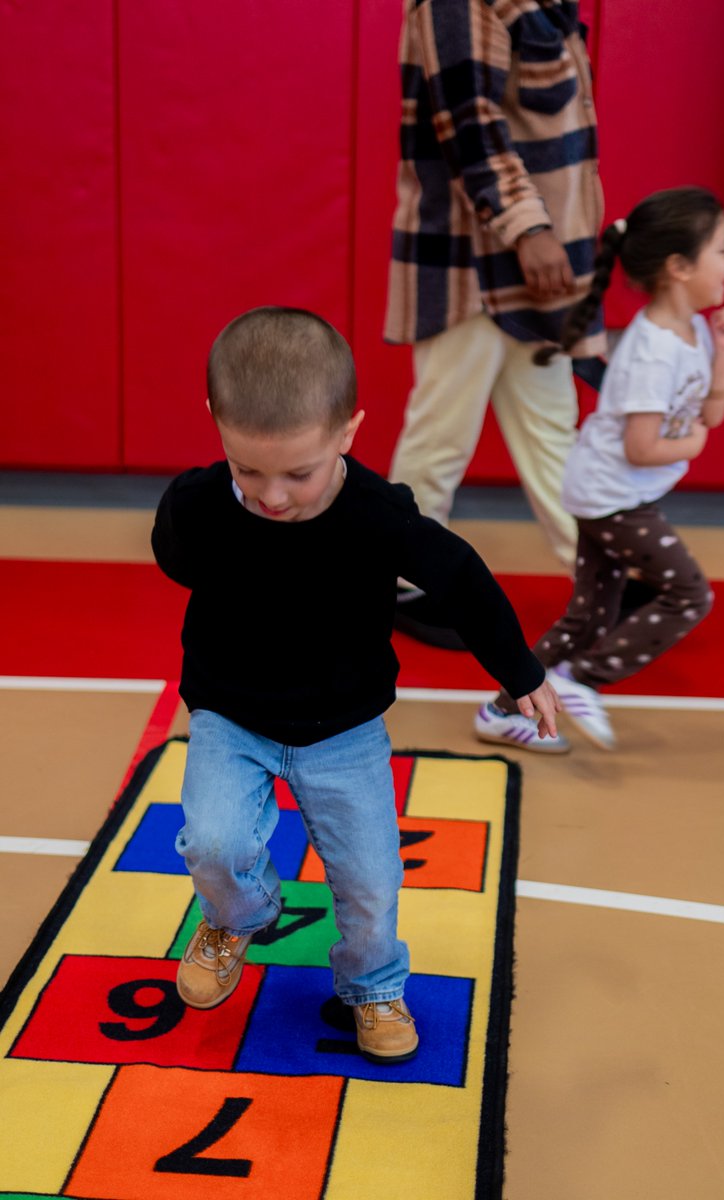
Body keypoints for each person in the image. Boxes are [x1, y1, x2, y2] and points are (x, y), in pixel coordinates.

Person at [151, 306, 560, 1064]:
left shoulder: (380, 516)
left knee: (370, 880)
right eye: (249, 469)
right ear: (216, 424)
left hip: (342, 730)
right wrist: (205, 510)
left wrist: (519, 669)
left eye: (298, 473)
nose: (273, 497)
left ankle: (373, 985)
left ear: (348, 430)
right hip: (231, 716)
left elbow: (462, 580)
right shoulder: (201, 500)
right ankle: (239, 915)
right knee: (213, 842)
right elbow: (175, 556)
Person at [475, 186, 724, 752]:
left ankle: (502, 712)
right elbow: (644, 446)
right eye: (721, 250)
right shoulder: (652, 351)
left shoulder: (693, 330)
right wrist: (692, 442)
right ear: (678, 267)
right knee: (691, 595)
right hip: (613, 498)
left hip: (609, 491)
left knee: (587, 619)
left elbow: (714, 411)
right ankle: (582, 681)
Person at [385, 0, 606, 651]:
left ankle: (599, 580)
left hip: (537, 269)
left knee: (552, 433)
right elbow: (469, 126)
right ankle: (402, 583)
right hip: (477, 265)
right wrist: (530, 227)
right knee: (442, 434)